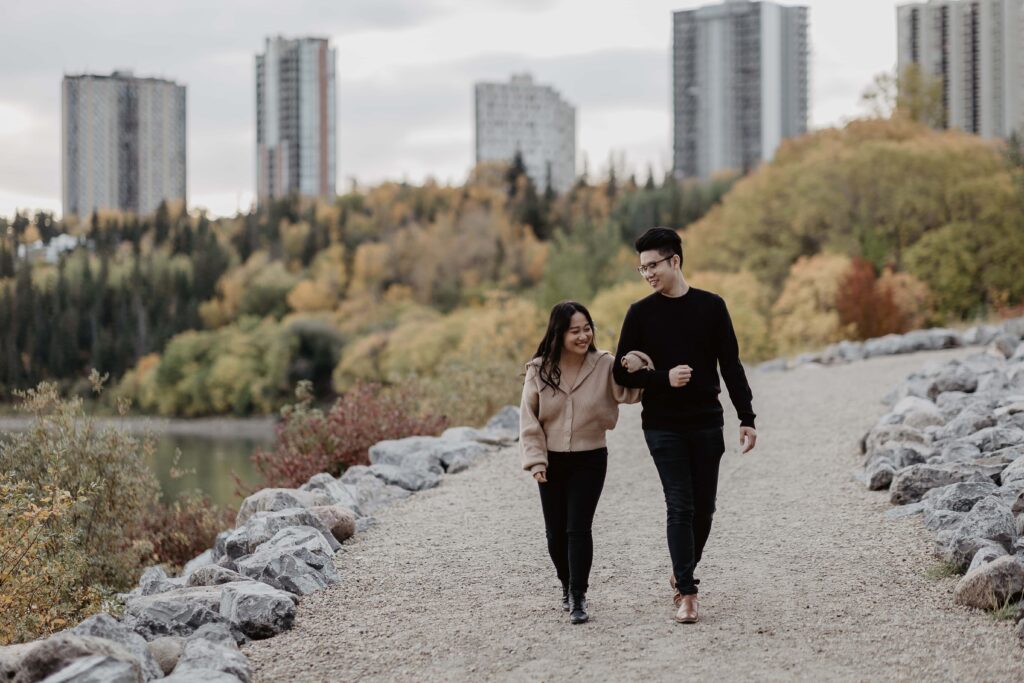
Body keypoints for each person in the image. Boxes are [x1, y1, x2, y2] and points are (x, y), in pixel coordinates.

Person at [612, 227, 758, 625]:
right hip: (661, 425)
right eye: (642, 269)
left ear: (674, 261)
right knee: (680, 504)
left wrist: (747, 417)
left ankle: (680, 571)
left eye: (653, 265)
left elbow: (731, 366)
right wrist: (662, 378)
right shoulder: (639, 313)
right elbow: (620, 374)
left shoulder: (712, 307)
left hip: (706, 423)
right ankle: (688, 593)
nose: (648, 274)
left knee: (704, 509)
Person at [520, 301, 651, 625]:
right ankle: (565, 585)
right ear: (559, 333)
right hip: (550, 461)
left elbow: (631, 393)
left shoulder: (604, 364)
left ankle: (579, 595)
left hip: (591, 457)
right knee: (555, 534)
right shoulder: (539, 369)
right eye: (575, 331)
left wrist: (637, 361)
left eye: (587, 328)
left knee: (578, 528)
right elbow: (529, 420)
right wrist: (536, 460)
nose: (583, 336)